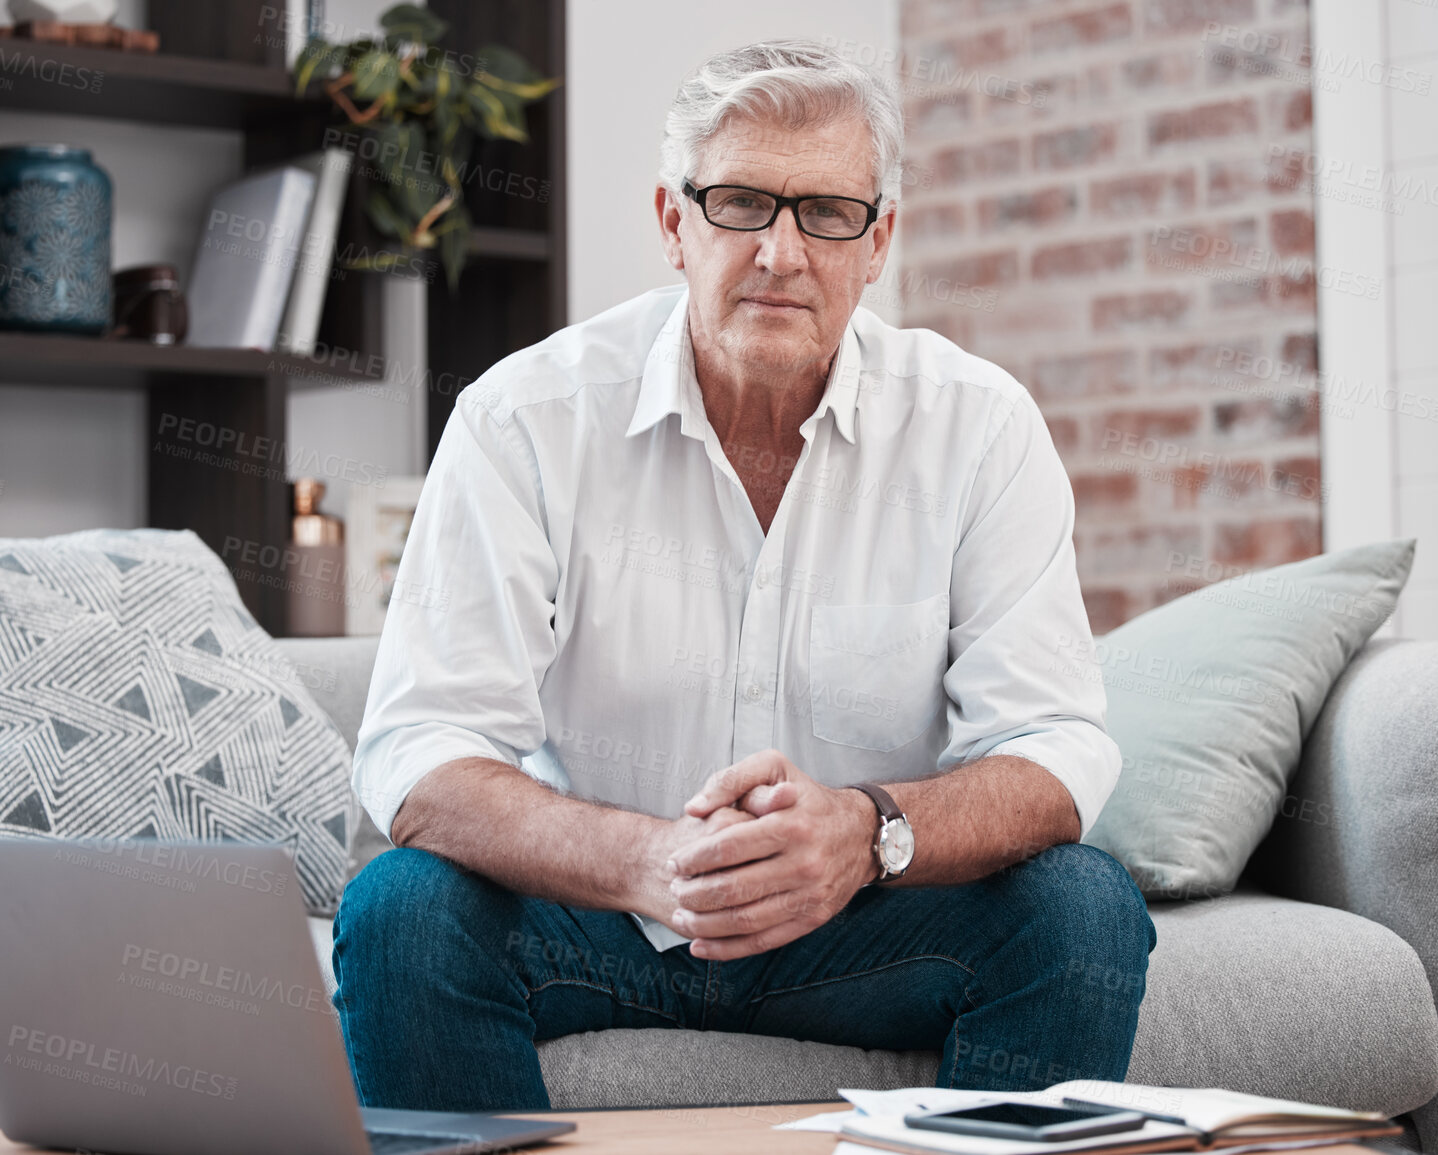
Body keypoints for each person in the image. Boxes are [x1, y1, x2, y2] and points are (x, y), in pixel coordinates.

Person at [335, 39, 1154, 1112]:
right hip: (597, 919)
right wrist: (653, 863)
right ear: (676, 224)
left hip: (858, 928)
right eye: (742, 204)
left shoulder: (979, 427)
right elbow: (423, 751)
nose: (781, 252)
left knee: (1082, 909)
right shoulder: (522, 420)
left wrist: (864, 835)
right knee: (404, 908)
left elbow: (1053, 747)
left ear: (880, 242)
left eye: (827, 213)